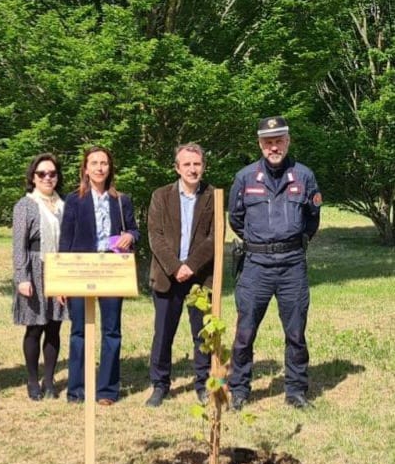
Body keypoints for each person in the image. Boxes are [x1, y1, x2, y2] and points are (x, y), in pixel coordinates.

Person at [228, 116, 321, 410]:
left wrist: (290, 240)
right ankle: (240, 390)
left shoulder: (304, 176)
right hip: (256, 264)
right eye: (268, 142)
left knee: (295, 332)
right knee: (245, 332)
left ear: (288, 141)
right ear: (260, 144)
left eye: (279, 140)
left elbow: (312, 219)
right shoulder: (245, 178)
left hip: (292, 263)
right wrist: (261, 242)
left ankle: (295, 390)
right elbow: (236, 219)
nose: (273, 146)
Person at [59, 146, 139, 405]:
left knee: (111, 331)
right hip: (81, 270)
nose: (99, 168)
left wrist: (130, 236)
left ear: (110, 168)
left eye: (104, 163)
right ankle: (77, 390)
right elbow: (66, 239)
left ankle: (107, 391)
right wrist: (62, 280)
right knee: (79, 331)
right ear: (85, 168)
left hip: (112, 270)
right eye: (94, 163)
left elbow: (134, 231)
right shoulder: (74, 199)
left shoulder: (120, 200)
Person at [146, 143, 214, 408]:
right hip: (167, 276)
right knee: (163, 334)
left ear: (203, 166)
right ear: (177, 168)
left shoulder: (212, 196)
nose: (192, 169)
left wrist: (191, 266)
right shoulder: (160, 196)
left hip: (200, 277)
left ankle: (203, 384)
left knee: (203, 334)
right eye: (186, 164)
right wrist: (176, 267)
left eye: (196, 164)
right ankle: (160, 385)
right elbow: (155, 236)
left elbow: (213, 238)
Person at [12, 153, 66, 401]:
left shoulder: (65, 204)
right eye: (42, 173)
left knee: (54, 327)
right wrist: (22, 277)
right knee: (35, 328)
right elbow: (18, 245)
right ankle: (32, 381)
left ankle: (49, 380)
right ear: (33, 177)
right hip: (34, 270)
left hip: (58, 269)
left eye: (52, 173)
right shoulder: (26, 205)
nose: (47, 177)